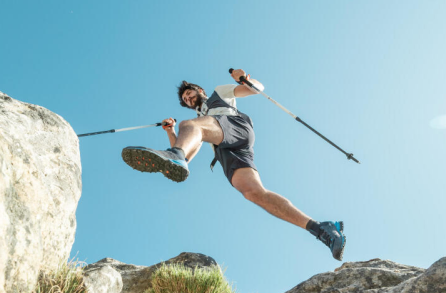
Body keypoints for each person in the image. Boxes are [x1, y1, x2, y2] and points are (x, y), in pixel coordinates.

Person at [121, 69, 346, 260]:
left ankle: (174, 154)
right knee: (254, 193)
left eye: (190, 93)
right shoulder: (198, 120)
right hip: (224, 150)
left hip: (233, 126)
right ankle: (322, 230)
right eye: (186, 100)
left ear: (200, 91)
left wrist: (246, 78)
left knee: (189, 128)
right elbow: (187, 157)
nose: (188, 99)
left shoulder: (219, 93)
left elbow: (256, 89)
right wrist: (171, 132)